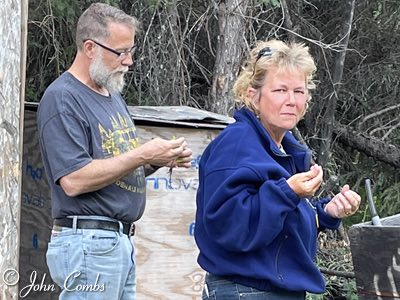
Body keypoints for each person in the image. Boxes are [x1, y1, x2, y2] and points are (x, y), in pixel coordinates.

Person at [37, 3, 192, 299]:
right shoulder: (62, 99)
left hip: (115, 242)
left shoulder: (111, 95)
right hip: (87, 243)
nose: (129, 61)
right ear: (90, 48)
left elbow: (116, 169)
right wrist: (142, 154)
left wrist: (158, 160)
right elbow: (74, 180)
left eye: (131, 51)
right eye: (121, 52)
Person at [194, 39, 361, 299]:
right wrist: (287, 192)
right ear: (253, 95)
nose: (291, 101)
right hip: (246, 291)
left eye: (299, 91)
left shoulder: (283, 150)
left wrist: (325, 213)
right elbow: (227, 227)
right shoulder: (237, 144)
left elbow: (277, 227)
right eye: (280, 90)